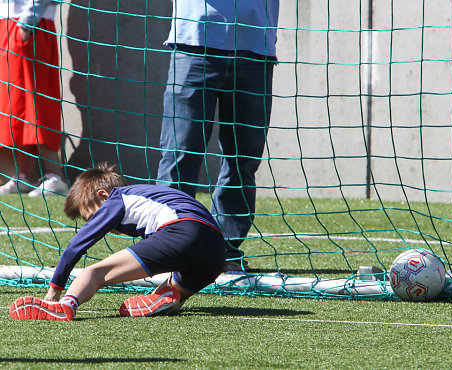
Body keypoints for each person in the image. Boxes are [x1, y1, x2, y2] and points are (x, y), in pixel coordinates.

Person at [9, 163, 226, 321]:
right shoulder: (147, 195)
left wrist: (55, 288)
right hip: (216, 251)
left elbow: (77, 244)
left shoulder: (116, 199)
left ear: (103, 195)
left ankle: (66, 306)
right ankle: (168, 298)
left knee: (92, 273)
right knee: (171, 290)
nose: (97, 224)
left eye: (92, 218)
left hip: (179, 230)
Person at [156, 0, 280, 271]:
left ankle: (223, 249)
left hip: (255, 47)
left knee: (243, 160)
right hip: (193, 43)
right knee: (180, 154)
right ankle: (170, 247)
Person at [0, 0, 68, 197]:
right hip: (8, 24)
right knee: (16, 105)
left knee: (37, 103)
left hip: (30, 26)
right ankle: (26, 175)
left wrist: (26, 24)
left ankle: (55, 176)